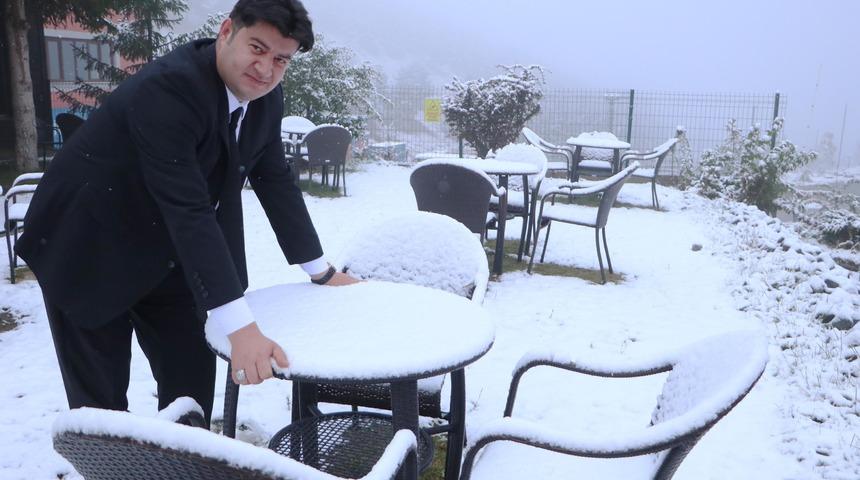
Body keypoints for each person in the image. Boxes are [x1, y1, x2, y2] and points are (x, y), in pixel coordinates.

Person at [16, 0, 355, 425]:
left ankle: (184, 463)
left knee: (191, 382)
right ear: (226, 31)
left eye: (280, 59)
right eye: (257, 47)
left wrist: (320, 270)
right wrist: (242, 328)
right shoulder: (169, 91)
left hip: (168, 248)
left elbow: (275, 179)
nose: (266, 69)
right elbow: (188, 207)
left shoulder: (265, 97)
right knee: (102, 410)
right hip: (87, 244)